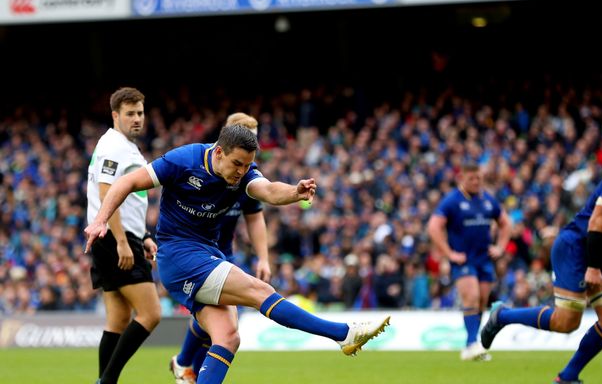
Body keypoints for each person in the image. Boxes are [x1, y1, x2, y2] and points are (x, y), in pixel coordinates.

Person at [85, 124, 389, 384]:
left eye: (247, 165)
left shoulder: (243, 173)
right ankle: (342, 334)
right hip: (178, 256)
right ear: (218, 153)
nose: (241, 172)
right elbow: (126, 182)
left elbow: (267, 191)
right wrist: (100, 220)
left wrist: (294, 193)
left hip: (207, 254)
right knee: (259, 290)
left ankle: (185, 365)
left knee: (228, 336)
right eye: (237, 164)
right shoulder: (183, 160)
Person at [480, 141, 602, 384]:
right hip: (575, 246)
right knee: (566, 322)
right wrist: (593, 267)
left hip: (601, 249)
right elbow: (596, 223)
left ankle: (567, 377)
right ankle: (502, 316)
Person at [170, 113, 271, 384]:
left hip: (223, 252)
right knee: (220, 325)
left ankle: (185, 367)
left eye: (255, 134)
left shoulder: (247, 175)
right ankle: (183, 365)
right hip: (194, 253)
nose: (253, 140)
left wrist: (263, 257)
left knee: (220, 328)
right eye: (247, 133)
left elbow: (255, 216)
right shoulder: (208, 167)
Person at [86, 87, 162, 384]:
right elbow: (107, 193)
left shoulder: (124, 146)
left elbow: (128, 197)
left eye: (140, 113)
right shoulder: (115, 146)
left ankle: (106, 381)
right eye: (130, 114)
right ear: (115, 115)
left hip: (120, 234)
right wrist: (122, 240)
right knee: (151, 314)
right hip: (114, 237)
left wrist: (142, 234)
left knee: (118, 320)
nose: (137, 119)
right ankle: (107, 381)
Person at [427, 162, 512, 361]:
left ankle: (472, 345)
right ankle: (472, 344)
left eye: (478, 178)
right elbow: (434, 226)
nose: (475, 182)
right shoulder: (452, 201)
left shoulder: (488, 200)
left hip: (484, 259)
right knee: (471, 297)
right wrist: (449, 253)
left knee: (482, 301)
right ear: (461, 179)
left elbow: (506, 223)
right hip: (464, 260)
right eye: (471, 178)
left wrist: (500, 247)